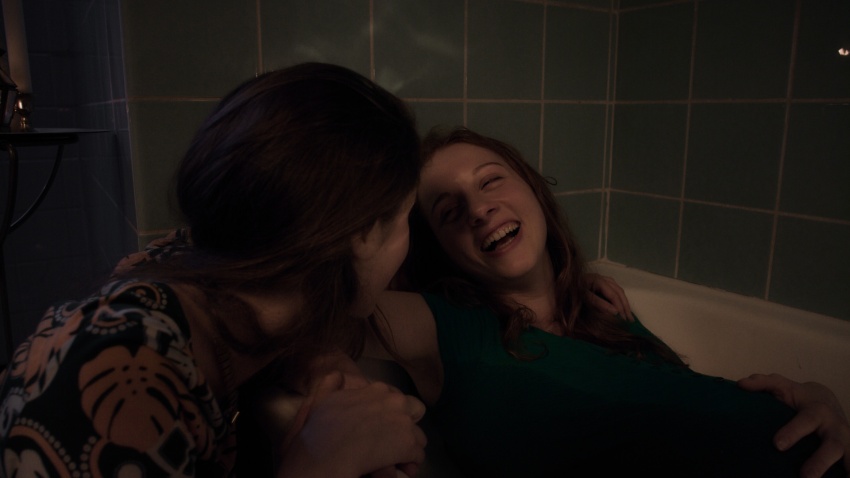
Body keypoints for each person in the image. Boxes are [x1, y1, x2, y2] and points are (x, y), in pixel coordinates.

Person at [0, 62, 428, 478]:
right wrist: (326, 461)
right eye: (407, 215)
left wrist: (312, 357)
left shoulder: (188, 268)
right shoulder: (115, 373)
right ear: (362, 233)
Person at [363, 126, 850, 477]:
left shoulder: (603, 307)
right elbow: (323, 305)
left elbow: (687, 403)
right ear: (436, 249)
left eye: (491, 180)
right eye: (449, 211)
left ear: (534, 189)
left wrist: (814, 398)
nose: (479, 208)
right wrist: (330, 381)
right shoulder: (446, 326)